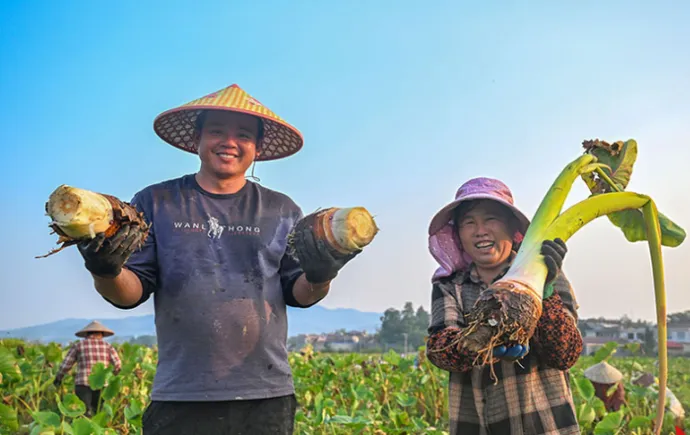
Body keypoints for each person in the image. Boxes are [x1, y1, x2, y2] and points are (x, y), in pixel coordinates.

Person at [72, 84, 359, 435]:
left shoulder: (282, 209)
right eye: (217, 131)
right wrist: (104, 270)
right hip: (182, 393)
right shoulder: (155, 202)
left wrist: (322, 274)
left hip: (264, 393)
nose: (230, 142)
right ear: (197, 138)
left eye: (243, 134)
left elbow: (299, 294)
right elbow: (130, 293)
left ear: (256, 147)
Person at [425, 177, 584, 435]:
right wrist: (482, 340)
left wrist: (545, 294)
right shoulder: (449, 285)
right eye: (469, 223)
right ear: (458, 235)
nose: (480, 230)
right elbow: (439, 349)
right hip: (475, 426)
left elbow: (565, 354)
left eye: (491, 219)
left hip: (546, 426)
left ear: (513, 229)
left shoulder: (545, 275)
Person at [53, 320, 122, 416]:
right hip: (102, 384)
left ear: (87, 334)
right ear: (101, 334)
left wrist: (58, 378)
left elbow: (66, 365)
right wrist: (111, 376)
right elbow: (118, 365)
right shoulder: (108, 347)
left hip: (83, 384)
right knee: (98, 412)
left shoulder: (78, 345)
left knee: (83, 413)